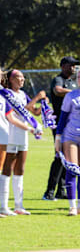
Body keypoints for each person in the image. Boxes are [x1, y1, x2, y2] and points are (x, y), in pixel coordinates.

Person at [0, 65, 40, 219]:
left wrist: (31, 128)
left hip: (3, 135)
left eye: (0, 74)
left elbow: (11, 117)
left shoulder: (4, 94)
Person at [0, 69, 45, 216]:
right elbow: (19, 111)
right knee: (7, 168)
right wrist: (37, 97)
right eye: (18, 77)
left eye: (23, 78)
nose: (22, 80)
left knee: (20, 169)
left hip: (23, 135)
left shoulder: (23, 94)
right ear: (11, 79)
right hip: (11, 133)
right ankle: (4, 205)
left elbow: (32, 111)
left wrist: (43, 105)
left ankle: (19, 205)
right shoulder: (7, 94)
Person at [43, 56, 80, 201]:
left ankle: (62, 190)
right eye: (71, 65)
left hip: (73, 125)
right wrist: (71, 94)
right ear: (63, 66)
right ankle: (49, 191)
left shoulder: (73, 82)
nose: (73, 68)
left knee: (71, 161)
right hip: (60, 123)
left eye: (74, 66)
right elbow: (57, 90)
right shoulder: (59, 79)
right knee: (59, 157)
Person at [57, 67, 80, 215]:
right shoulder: (71, 96)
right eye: (79, 77)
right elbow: (62, 119)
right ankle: (72, 206)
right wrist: (58, 139)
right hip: (70, 137)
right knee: (72, 169)